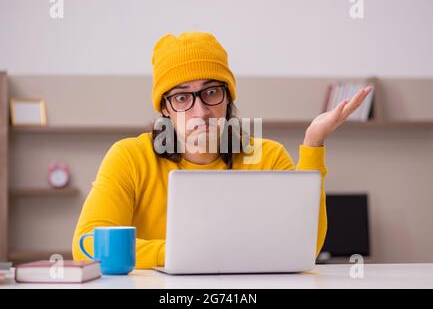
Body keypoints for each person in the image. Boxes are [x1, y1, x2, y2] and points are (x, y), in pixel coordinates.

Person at [72, 32, 372, 269]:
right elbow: (88, 244)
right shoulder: (129, 157)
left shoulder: (268, 156)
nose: (200, 111)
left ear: (228, 97)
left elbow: (305, 247)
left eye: (211, 92)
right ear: (164, 107)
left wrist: (313, 143)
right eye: (181, 98)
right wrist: (181, 253)